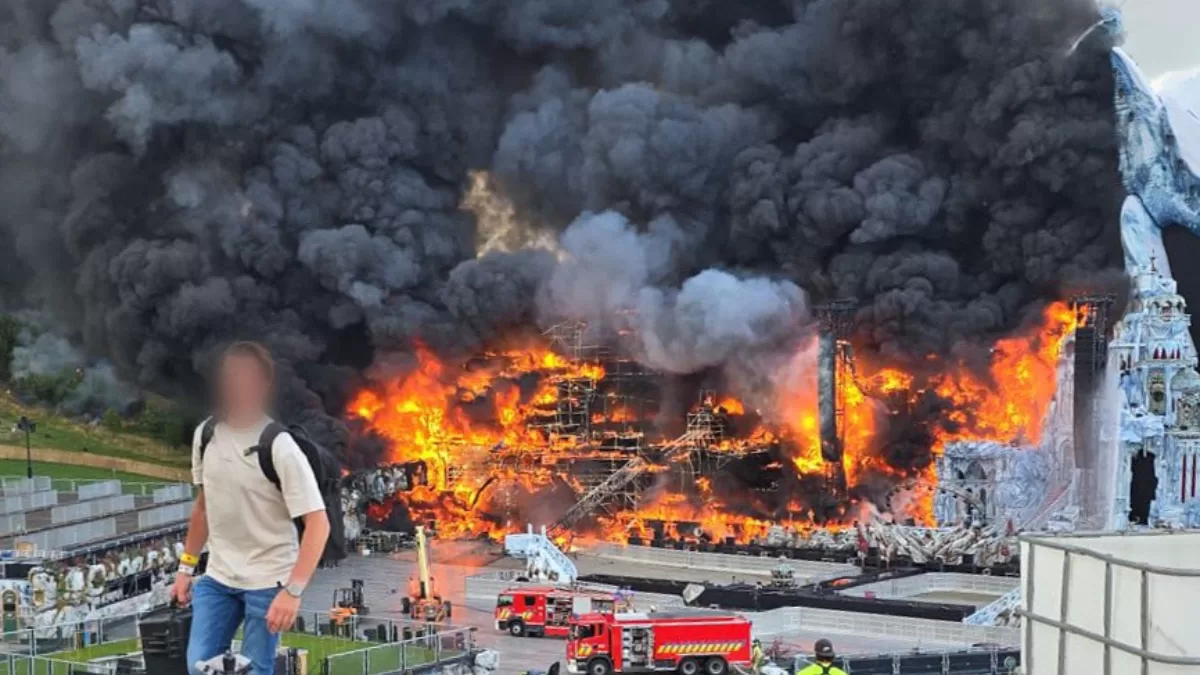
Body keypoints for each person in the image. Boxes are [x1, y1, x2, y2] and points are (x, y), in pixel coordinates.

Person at [172, 342, 331, 675]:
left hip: (268, 580)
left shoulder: (279, 446)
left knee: (254, 671)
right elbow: (204, 507)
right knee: (199, 667)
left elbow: (318, 523)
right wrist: (186, 569)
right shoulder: (206, 435)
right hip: (218, 577)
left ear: (263, 385)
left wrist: (293, 591)